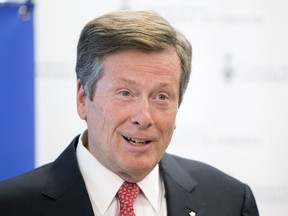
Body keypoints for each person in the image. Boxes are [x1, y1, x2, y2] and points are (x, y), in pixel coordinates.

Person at [0, 10, 259, 216]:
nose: (143, 117)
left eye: (161, 96)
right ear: (82, 98)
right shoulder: (11, 206)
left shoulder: (231, 201)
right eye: (125, 93)